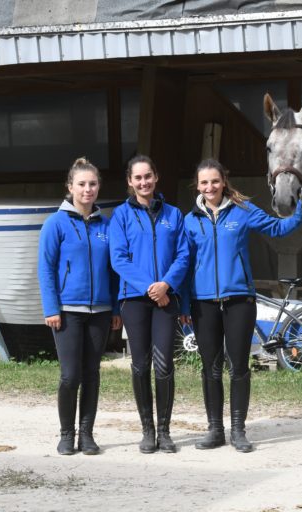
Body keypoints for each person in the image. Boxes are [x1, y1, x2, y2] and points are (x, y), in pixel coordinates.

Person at [180, 158, 302, 453]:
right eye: (204, 182)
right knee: (210, 368)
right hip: (203, 303)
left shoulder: (243, 211)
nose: (210, 187)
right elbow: (185, 266)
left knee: (239, 367)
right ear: (197, 186)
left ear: (223, 181)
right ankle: (215, 430)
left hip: (239, 301)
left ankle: (238, 430)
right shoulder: (190, 220)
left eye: (214, 181)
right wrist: (185, 305)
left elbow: (278, 228)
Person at [38, 157, 122, 456]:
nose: (88, 189)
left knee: (92, 374)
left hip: (99, 312)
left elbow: (114, 270)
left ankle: (86, 435)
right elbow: (46, 269)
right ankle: (66, 434)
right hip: (67, 312)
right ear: (70, 187)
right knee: (70, 375)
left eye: (93, 184)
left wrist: (115, 310)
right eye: (82, 184)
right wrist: (51, 308)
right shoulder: (55, 224)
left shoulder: (107, 225)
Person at [109, 154, 189, 454]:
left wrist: (166, 285)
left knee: (164, 364)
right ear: (130, 182)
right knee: (140, 364)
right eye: (137, 178)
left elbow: (183, 256)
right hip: (134, 300)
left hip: (167, 298)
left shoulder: (174, 214)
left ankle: (166, 432)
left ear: (156, 178)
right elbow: (119, 258)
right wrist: (149, 287)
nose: (143, 182)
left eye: (148, 176)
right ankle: (147, 430)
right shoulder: (120, 216)